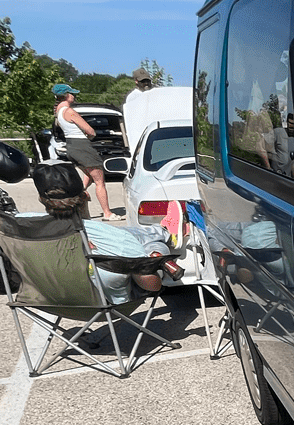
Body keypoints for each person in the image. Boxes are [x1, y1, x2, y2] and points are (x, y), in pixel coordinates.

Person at [27, 164, 181, 302]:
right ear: (84, 196)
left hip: (55, 299)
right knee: (141, 242)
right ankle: (160, 239)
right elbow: (153, 286)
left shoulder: (24, 227)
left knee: (127, 235)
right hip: (110, 303)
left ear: (41, 199)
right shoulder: (117, 239)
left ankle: (158, 239)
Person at [52, 83, 119, 221]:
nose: (74, 96)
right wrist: (90, 136)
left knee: (88, 176)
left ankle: (78, 200)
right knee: (100, 181)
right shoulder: (69, 111)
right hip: (82, 145)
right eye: (72, 94)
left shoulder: (58, 111)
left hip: (71, 146)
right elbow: (90, 130)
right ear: (66, 95)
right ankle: (107, 213)